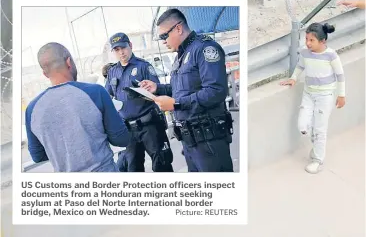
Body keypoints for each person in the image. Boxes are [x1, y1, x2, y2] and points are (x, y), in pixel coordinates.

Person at [140, 9, 233, 173]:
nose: (163, 41)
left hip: (209, 140)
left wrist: (175, 104)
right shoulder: (181, 56)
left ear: (178, 28)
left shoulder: (204, 49)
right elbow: (182, 90)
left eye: (164, 36)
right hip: (190, 141)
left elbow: (216, 91)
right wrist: (158, 88)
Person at [25, 43, 130, 172]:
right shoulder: (96, 92)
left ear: (45, 74)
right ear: (69, 62)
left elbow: (38, 156)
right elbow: (122, 139)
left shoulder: (32, 109)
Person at [280, 23, 346, 174]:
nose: (308, 43)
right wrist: (294, 78)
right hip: (308, 94)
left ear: (323, 41)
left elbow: (340, 76)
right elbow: (300, 66)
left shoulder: (331, 55)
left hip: (325, 96)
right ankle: (316, 147)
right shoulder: (305, 53)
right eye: (306, 39)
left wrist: (341, 95)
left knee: (320, 129)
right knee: (303, 126)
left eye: (311, 40)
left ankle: (317, 159)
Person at [105, 32, 173, 172]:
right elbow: (107, 95)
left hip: (150, 126)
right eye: (117, 50)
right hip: (129, 130)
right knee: (133, 169)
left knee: (162, 166)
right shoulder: (112, 72)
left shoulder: (143, 66)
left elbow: (158, 89)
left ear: (130, 46)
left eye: (123, 48)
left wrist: (147, 90)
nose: (121, 52)